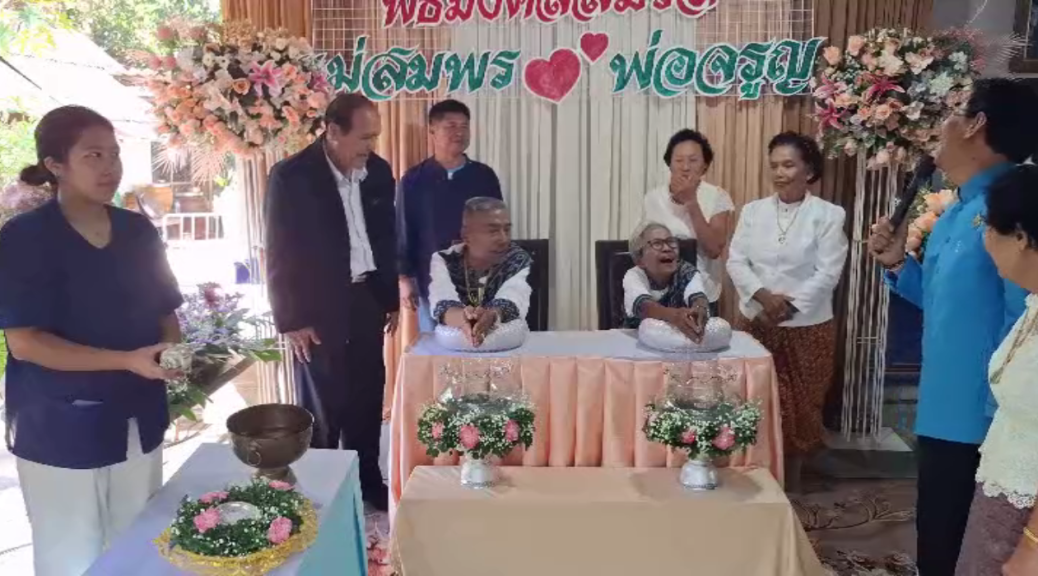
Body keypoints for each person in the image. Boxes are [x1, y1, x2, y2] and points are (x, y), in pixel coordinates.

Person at [0, 106, 183, 576]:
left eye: (114, 154)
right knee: (71, 554)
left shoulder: (137, 231)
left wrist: (171, 352)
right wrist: (127, 360)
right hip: (60, 424)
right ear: (55, 165)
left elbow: (166, 311)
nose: (110, 167)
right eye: (93, 155)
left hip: (138, 414)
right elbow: (26, 343)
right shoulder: (24, 238)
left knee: (139, 543)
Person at [868, 78, 1038, 576]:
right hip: (943, 408)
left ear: (976, 124)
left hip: (982, 421)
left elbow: (1025, 321)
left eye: (953, 111)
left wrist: (1001, 417)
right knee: (937, 542)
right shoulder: (957, 210)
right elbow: (946, 305)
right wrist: (899, 264)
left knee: (968, 553)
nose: (940, 126)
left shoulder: (1013, 208)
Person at [264, 93, 399, 511]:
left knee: (367, 397)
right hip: (316, 311)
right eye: (364, 137)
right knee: (322, 407)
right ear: (334, 131)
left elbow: (385, 237)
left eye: (375, 137)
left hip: (366, 299)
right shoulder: (291, 177)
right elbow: (279, 251)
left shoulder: (378, 172)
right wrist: (291, 320)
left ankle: (366, 481)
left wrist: (389, 297)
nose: (371, 146)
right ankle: (321, 490)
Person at [727, 132, 848, 492]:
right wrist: (764, 298)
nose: (780, 173)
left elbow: (828, 272)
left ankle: (791, 486)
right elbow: (736, 261)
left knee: (802, 407)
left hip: (808, 326)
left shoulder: (828, 215)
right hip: (757, 321)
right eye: (774, 166)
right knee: (754, 400)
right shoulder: (753, 211)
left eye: (788, 165)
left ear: (808, 170)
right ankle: (752, 479)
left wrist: (789, 306)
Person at [956, 164, 1038, 576]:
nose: (985, 239)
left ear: (1020, 237)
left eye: (990, 227)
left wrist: (1032, 544)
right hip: (1001, 489)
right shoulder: (1033, 302)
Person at [398, 99, 503, 332]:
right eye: (451, 126)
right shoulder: (414, 179)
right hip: (430, 280)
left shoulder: (484, 176)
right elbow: (404, 229)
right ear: (432, 130)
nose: (459, 133)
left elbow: (497, 227)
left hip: (478, 280)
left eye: (464, 126)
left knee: (477, 341)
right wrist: (404, 277)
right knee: (437, 344)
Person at [640, 129, 734, 317]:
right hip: (661, 294)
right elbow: (643, 246)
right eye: (679, 160)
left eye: (693, 160)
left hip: (703, 294)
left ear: (704, 166)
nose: (685, 167)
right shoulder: (653, 198)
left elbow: (714, 250)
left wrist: (691, 202)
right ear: (669, 164)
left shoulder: (717, 196)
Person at [428, 197, 531, 346]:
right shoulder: (444, 259)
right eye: (493, 231)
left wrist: (490, 316)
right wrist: (464, 320)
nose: (504, 239)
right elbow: (441, 301)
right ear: (467, 236)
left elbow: (513, 295)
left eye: (507, 230)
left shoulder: (518, 259)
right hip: (456, 344)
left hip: (506, 343)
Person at [622, 222, 710, 342]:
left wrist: (700, 309)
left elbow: (698, 297)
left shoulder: (687, 272)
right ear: (640, 260)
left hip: (676, 343)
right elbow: (645, 307)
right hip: (638, 342)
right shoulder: (634, 275)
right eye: (657, 243)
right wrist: (674, 315)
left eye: (671, 242)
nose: (667, 248)